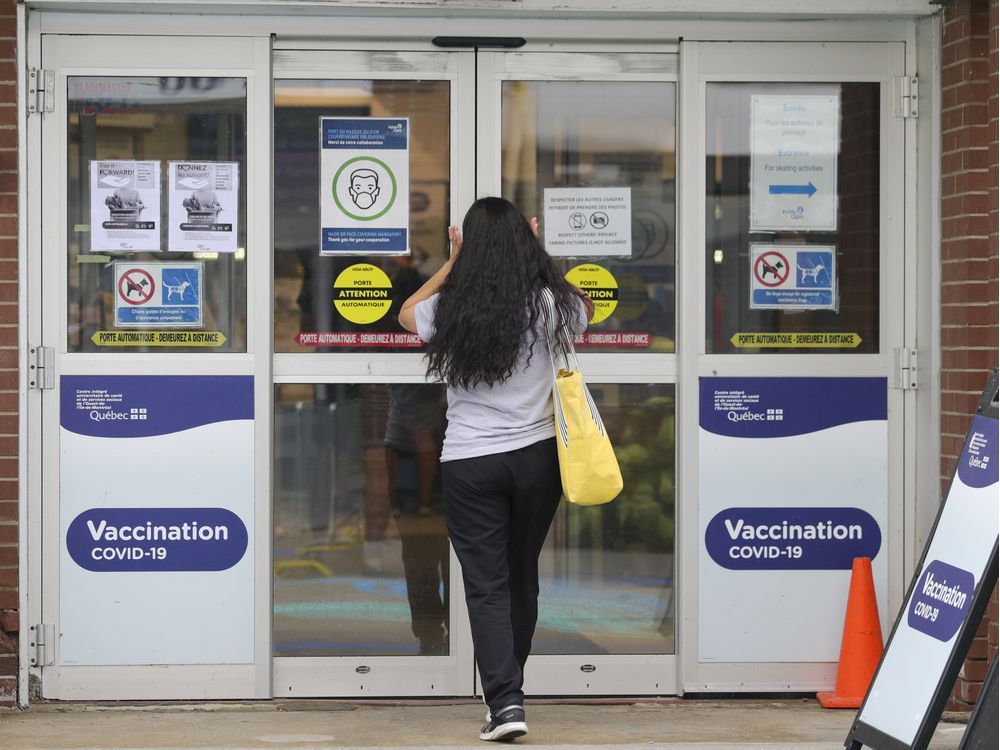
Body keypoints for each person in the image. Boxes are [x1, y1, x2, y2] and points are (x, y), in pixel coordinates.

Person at [399, 196, 593, 742]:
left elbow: (406, 310)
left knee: (487, 587)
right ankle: (511, 693)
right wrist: (537, 252)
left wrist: (455, 261)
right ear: (524, 241)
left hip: (471, 461)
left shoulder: (450, 307)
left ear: (467, 245)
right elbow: (590, 309)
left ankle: (506, 705)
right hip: (537, 460)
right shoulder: (549, 304)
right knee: (521, 578)